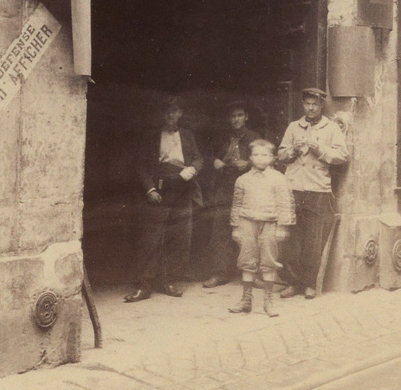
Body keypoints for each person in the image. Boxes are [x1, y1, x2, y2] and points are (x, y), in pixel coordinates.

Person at [124, 100, 204, 302]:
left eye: (174, 111)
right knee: (151, 238)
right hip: (160, 189)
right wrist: (149, 188)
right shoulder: (151, 136)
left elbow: (198, 158)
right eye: (167, 112)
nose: (171, 115)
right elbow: (141, 164)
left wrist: (193, 169)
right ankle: (144, 286)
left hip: (183, 190)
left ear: (180, 113)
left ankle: (166, 281)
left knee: (177, 237)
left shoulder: (187, 135)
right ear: (162, 115)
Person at [277, 87, 348, 299]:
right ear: (303, 105)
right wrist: (292, 151)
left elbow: (342, 156)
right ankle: (292, 283)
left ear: (321, 105)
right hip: (293, 188)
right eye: (307, 103)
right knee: (291, 240)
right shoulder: (293, 127)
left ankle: (309, 283)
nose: (310, 107)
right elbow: (281, 155)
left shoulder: (331, 128)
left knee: (313, 240)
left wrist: (319, 149)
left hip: (317, 188)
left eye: (314, 104)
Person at [228, 139, 295, 317]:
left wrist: (283, 226)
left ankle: (268, 301)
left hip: (270, 224)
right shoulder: (242, 180)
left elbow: (285, 204)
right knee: (247, 260)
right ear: (250, 157)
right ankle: (246, 300)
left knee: (269, 262)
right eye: (256, 155)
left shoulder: (279, 179)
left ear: (273, 158)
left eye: (264, 155)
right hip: (247, 223)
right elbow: (236, 204)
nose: (260, 158)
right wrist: (235, 227)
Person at [202, 104, 258, 288]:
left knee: (249, 230)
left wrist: (249, 163)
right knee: (220, 230)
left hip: (247, 187)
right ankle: (219, 274)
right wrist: (214, 161)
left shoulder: (253, 137)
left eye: (240, 115)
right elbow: (205, 155)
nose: (236, 119)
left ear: (246, 117)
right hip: (224, 187)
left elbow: (265, 159)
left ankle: (250, 274)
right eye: (232, 116)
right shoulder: (221, 137)